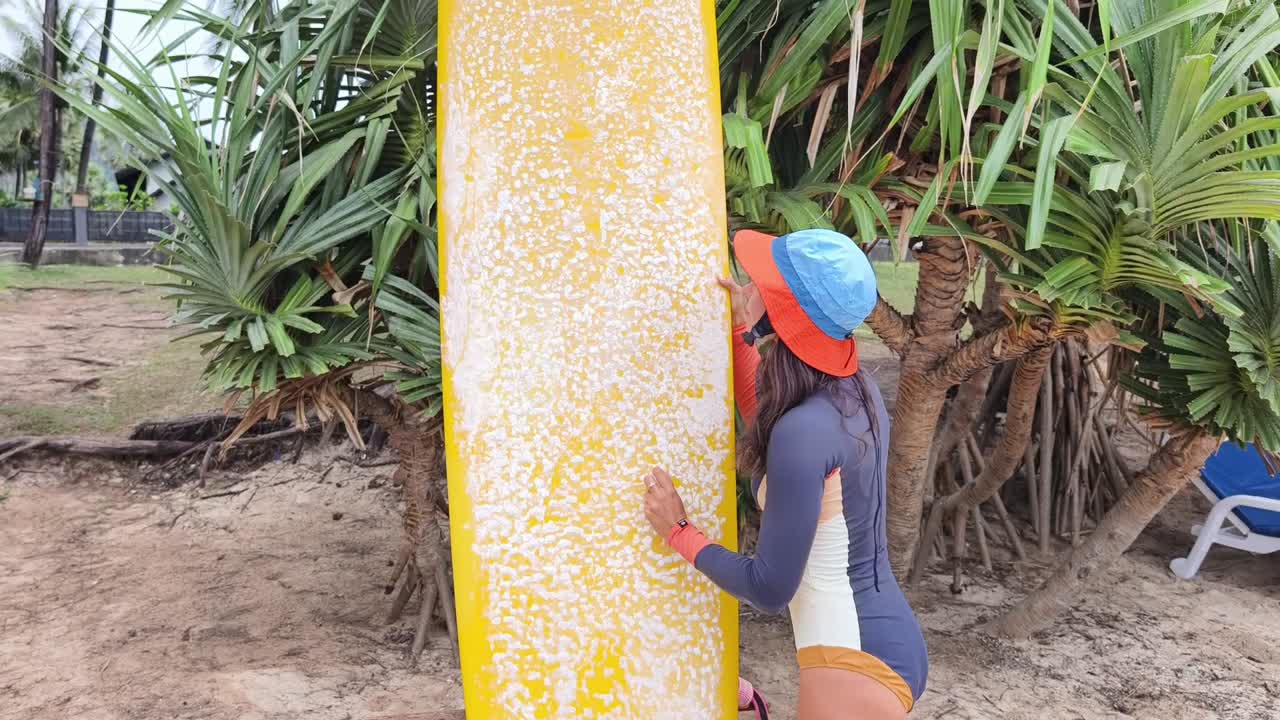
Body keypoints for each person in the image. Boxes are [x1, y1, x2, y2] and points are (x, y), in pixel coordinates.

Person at [642, 229, 928, 719]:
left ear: (784, 314)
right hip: (885, 642)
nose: (748, 287)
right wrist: (738, 331)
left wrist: (678, 531)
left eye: (761, 284)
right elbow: (774, 426)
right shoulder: (855, 393)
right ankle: (754, 706)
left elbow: (770, 587)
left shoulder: (806, 429)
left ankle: (754, 707)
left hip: (852, 666)